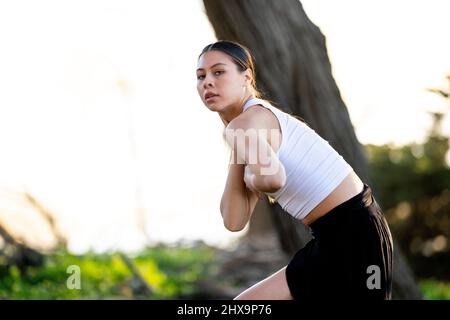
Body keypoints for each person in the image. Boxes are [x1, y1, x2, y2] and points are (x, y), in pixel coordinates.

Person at [196, 40, 393, 300]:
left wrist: (253, 177)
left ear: (246, 77)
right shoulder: (243, 128)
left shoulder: (247, 124)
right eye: (200, 76)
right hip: (333, 238)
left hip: (356, 238)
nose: (207, 82)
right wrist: (242, 162)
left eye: (218, 72)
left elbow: (272, 178)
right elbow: (234, 220)